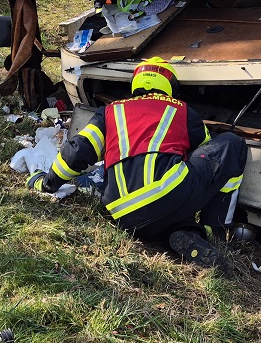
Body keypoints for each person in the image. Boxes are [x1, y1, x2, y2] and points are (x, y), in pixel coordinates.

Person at [30, 58, 248, 267]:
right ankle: (215, 230)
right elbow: (208, 156)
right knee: (231, 146)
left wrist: (47, 183)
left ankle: (186, 232)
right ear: (170, 84)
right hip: (167, 194)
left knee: (164, 201)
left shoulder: (110, 111)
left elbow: (78, 151)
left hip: (121, 212)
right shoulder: (181, 110)